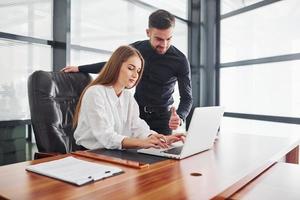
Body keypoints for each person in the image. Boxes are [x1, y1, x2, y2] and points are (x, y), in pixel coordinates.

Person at [64, 9, 193, 135]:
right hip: (135, 115)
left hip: (163, 120)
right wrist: (80, 68)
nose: (164, 45)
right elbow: (112, 66)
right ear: (148, 32)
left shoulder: (180, 60)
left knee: (162, 154)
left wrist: (180, 117)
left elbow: (187, 98)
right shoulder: (135, 49)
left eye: (169, 39)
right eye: (159, 39)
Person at [73, 45, 184, 150]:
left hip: (114, 152)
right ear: (116, 66)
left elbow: (137, 126)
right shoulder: (95, 93)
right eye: (131, 68)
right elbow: (105, 136)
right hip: (90, 154)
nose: (136, 75)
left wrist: (159, 138)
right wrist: (142, 143)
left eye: (138, 71)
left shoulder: (127, 97)